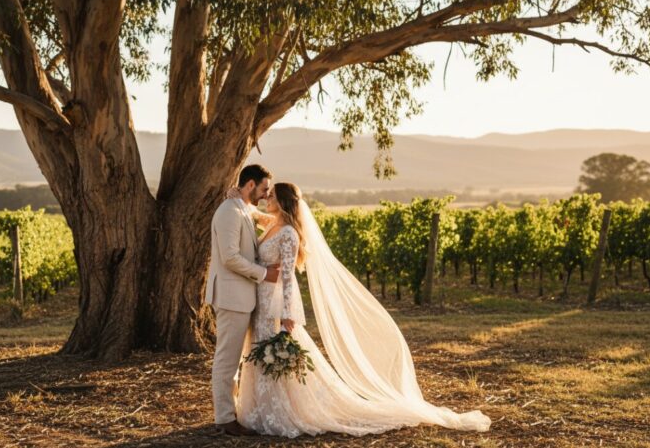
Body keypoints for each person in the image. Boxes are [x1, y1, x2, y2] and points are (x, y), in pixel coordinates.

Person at [233, 182, 491, 437]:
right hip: (261, 300)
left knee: (274, 354)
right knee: (261, 350)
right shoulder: (273, 224)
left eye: (272, 195)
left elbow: (289, 276)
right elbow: (253, 214)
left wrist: (288, 314)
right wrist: (238, 198)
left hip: (275, 303)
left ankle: (279, 412)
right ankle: (262, 409)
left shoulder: (289, 233)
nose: (267, 198)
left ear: (283, 202)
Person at [204, 164, 280, 436]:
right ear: (250, 185)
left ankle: (231, 412)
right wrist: (264, 274)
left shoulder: (241, 207)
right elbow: (230, 258)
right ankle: (224, 419)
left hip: (240, 296)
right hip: (231, 296)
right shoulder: (229, 212)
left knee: (233, 359)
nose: (266, 194)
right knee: (227, 360)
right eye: (264, 188)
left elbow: (261, 216)